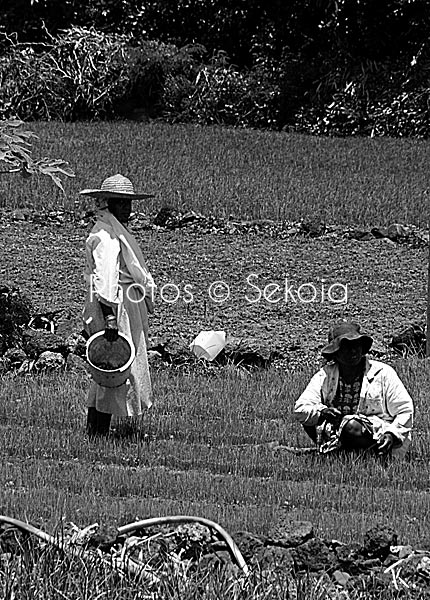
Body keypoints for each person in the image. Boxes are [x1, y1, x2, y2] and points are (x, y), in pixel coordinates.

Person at [80, 174, 156, 437]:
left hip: (124, 304)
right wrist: (110, 317)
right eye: (120, 203)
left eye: (128, 203)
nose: (127, 209)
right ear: (108, 204)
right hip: (115, 307)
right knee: (112, 368)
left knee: (113, 368)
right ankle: (97, 433)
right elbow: (106, 278)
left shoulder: (113, 230)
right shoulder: (106, 236)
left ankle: (99, 431)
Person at [293, 321, 414, 458]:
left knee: (351, 426)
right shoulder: (325, 376)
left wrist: (392, 434)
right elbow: (300, 409)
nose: (353, 351)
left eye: (356, 345)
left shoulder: (383, 373)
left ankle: (369, 456)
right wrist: (323, 412)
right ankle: (339, 454)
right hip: (335, 434)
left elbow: (404, 410)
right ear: (336, 353)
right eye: (346, 347)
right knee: (311, 418)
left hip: (378, 436)